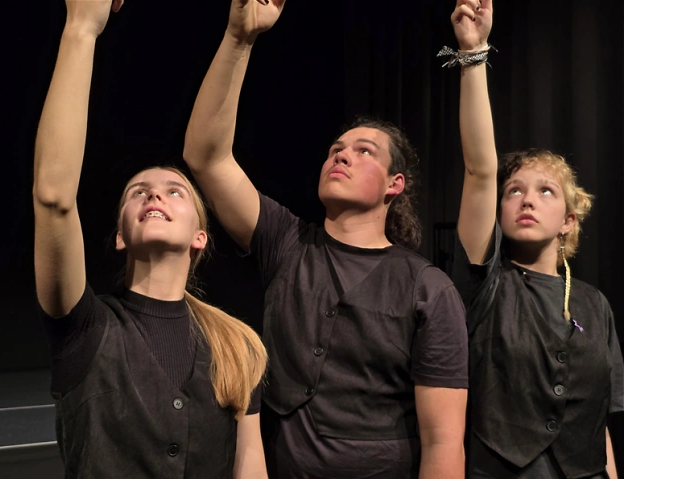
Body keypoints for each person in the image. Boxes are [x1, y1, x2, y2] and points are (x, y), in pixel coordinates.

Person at [182, 1, 470, 477]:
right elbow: (206, 157)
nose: (342, 155)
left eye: (364, 151)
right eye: (336, 149)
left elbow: (443, 442)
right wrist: (239, 38)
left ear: (395, 185)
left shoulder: (428, 288)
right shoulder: (286, 240)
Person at [32, 1, 268, 477]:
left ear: (200, 236)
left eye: (174, 191)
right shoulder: (85, 328)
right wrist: (82, 28)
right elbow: (54, 198)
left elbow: (251, 467)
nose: (154, 194)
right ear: (120, 236)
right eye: (137, 192)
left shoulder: (238, 346)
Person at [447, 1, 624, 478]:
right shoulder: (484, 283)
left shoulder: (595, 305)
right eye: (514, 191)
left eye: (546, 191)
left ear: (568, 220)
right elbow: (479, 170)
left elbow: (599, 425)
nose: (527, 199)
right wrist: (474, 52)